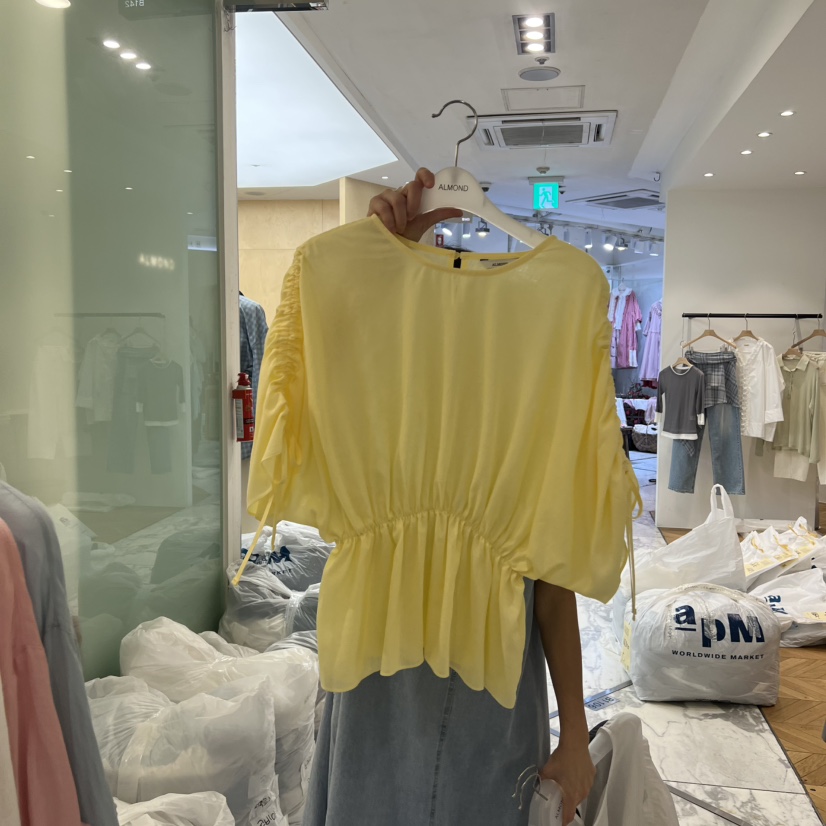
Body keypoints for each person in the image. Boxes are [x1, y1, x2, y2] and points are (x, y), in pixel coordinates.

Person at [303, 169, 596, 826]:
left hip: (484, 690)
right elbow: (328, 365)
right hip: (375, 670)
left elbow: (555, 579)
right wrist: (379, 260)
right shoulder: (363, 348)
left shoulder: (544, 352)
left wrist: (576, 733)